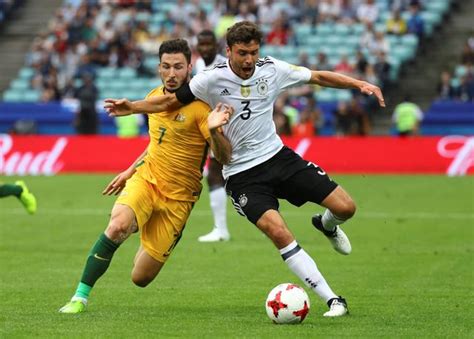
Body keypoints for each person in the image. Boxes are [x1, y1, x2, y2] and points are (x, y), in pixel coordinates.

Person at [104, 21, 385, 317]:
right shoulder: (209, 80)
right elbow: (171, 100)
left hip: (278, 158)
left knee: (347, 207)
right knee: (278, 231)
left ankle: (325, 225)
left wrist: (359, 84)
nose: (249, 59)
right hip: (242, 176)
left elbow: (316, 77)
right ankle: (333, 299)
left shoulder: (272, 69)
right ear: (229, 52)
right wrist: (133, 106)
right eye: (242, 53)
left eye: (253, 52)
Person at [59, 39, 232, 314]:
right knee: (116, 226)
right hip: (147, 179)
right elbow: (156, 143)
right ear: (158, 68)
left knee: (140, 278)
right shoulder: (152, 99)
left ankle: (144, 225)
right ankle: (79, 297)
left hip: (179, 199)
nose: (172, 73)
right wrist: (130, 170)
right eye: (166, 67)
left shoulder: (202, 109)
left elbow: (223, 157)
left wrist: (213, 131)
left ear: (189, 68)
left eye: (178, 67)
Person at [194, 30, 230, 242]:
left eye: (209, 44)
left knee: (216, 174)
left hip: (224, 126)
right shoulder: (199, 65)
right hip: (209, 126)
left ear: (216, 46)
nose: (205, 48)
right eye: (202, 44)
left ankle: (221, 230)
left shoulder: (224, 66)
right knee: (217, 175)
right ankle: (221, 229)